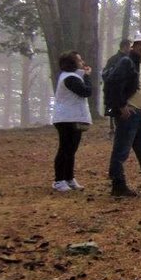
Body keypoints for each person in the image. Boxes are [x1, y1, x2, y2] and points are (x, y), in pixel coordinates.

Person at [105, 33, 141, 197]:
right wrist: (121, 106)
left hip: (140, 114)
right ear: (134, 46)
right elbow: (112, 83)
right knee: (121, 151)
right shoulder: (126, 62)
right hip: (129, 115)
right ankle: (118, 185)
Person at [51, 51, 93, 192]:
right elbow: (85, 91)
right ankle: (59, 180)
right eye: (79, 60)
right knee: (65, 149)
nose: (82, 62)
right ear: (72, 63)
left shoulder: (72, 76)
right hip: (65, 119)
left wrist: (85, 74)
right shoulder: (69, 78)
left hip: (72, 117)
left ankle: (69, 178)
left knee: (71, 150)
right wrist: (87, 77)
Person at [102, 38, 131, 138]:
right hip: (114, 91)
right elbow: (106, 75)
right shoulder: (114, 59)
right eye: (129, 46)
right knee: (114, 111)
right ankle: (113, 130)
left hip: (127, 92)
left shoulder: (130, 59)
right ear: (125, 46)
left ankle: (120, 132)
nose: (130, 49)